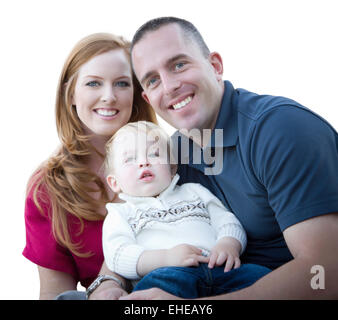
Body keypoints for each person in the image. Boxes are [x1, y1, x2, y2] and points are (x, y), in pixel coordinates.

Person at [118, 17, 338, 299]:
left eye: (179, 65)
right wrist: (108, 281)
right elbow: (131, 216)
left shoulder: (281, 130)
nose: (169, 85)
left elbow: (324, 274)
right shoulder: (171, 155)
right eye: (153, 80)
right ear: (148, 98)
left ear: (215, 66)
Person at [22, 33, 157, 300]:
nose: (109, 96)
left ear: (136, 94)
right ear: (70, 94)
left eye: (121, 83)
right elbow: (55, 293)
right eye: (94, 83)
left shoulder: (168, 160)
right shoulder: (48, 188)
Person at [102, 121, 270, 298]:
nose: (144, 162)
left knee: (262, 277)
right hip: (166, 275)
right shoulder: (120, 213)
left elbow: (226, 220)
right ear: (115, 182)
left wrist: (229, 243)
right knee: (146, 295)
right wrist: (166, 258)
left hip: (219, 266)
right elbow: (118, 255)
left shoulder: (194, 191)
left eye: (154, 154)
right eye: (130, 159)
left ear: (172, 168)